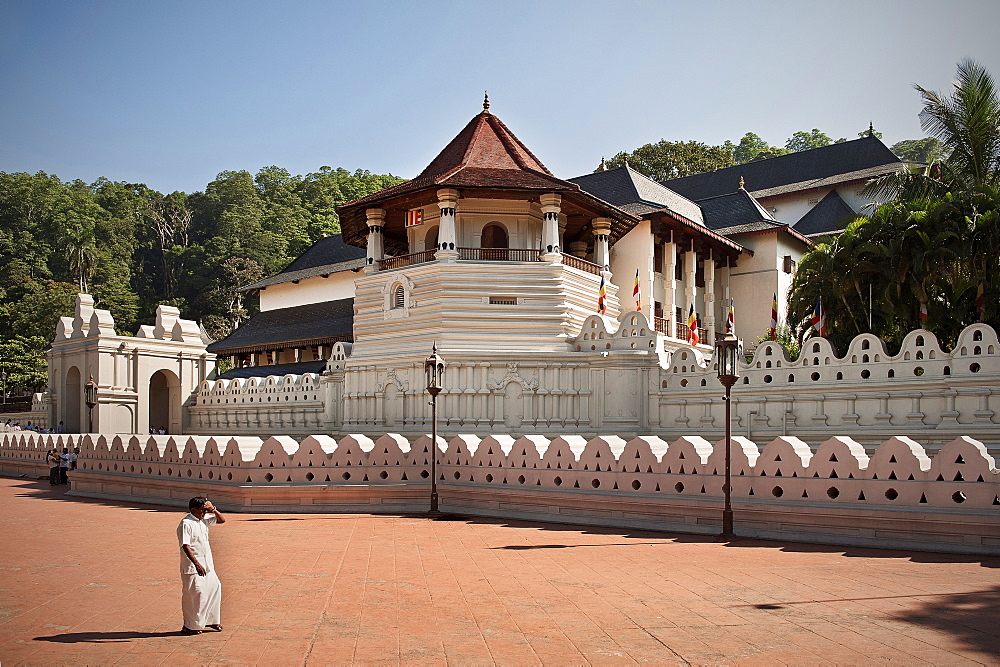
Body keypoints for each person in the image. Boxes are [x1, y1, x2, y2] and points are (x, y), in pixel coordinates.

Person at [177, 497, 226, 635]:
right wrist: (196, 564)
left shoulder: (202, 521)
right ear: (193, 509)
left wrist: (213, 509)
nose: (203, 513)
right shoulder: (186, 523)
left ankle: (211, 620)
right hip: (193, 567)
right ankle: (190, 625)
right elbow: (185, 546)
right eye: (201, 510)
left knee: (215, 588)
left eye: (205, 510)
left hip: (207, 565)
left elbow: (221, 520)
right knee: (195, 594)